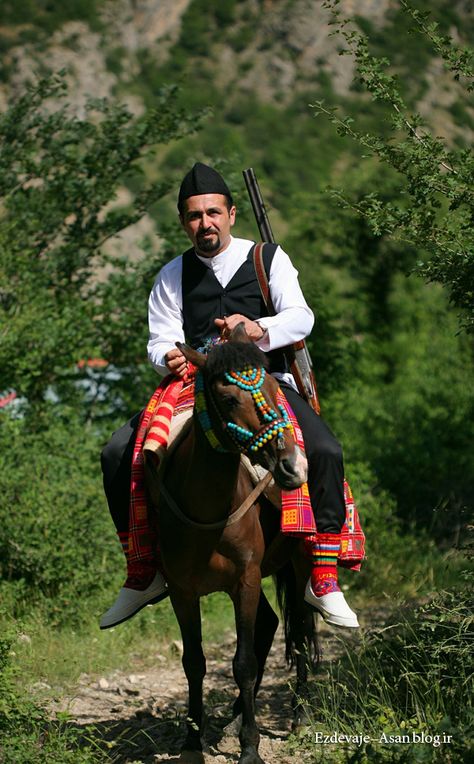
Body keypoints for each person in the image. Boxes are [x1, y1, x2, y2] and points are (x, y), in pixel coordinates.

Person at [100, 162, 359, 630]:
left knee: (324, 449)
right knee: (117, 452)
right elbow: (159, 341)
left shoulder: (267, 259)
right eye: (195, 216)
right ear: (184, 222)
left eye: (214, 213)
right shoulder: (171, 274)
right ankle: (143, 571)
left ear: (232, 214)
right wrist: (171, 359)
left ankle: (322, 575)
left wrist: (258, 328)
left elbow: (301, 317)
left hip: (266, 380)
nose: (206, 224)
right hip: (195, 386)